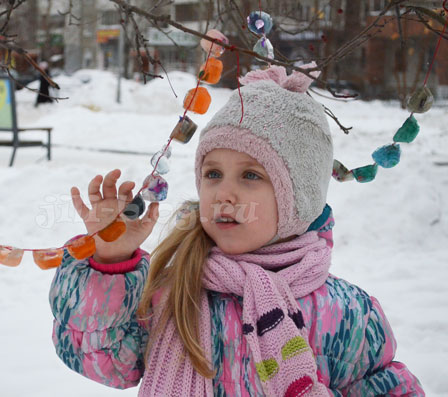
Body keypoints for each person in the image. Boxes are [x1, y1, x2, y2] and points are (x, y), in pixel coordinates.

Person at [49, 64, 424, 396]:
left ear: (299, 199)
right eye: (213, 174)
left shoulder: (347, 313)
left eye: (250, 175)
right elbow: (102, 361)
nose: (224, 193)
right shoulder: (173, 292)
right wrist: (110, 257)